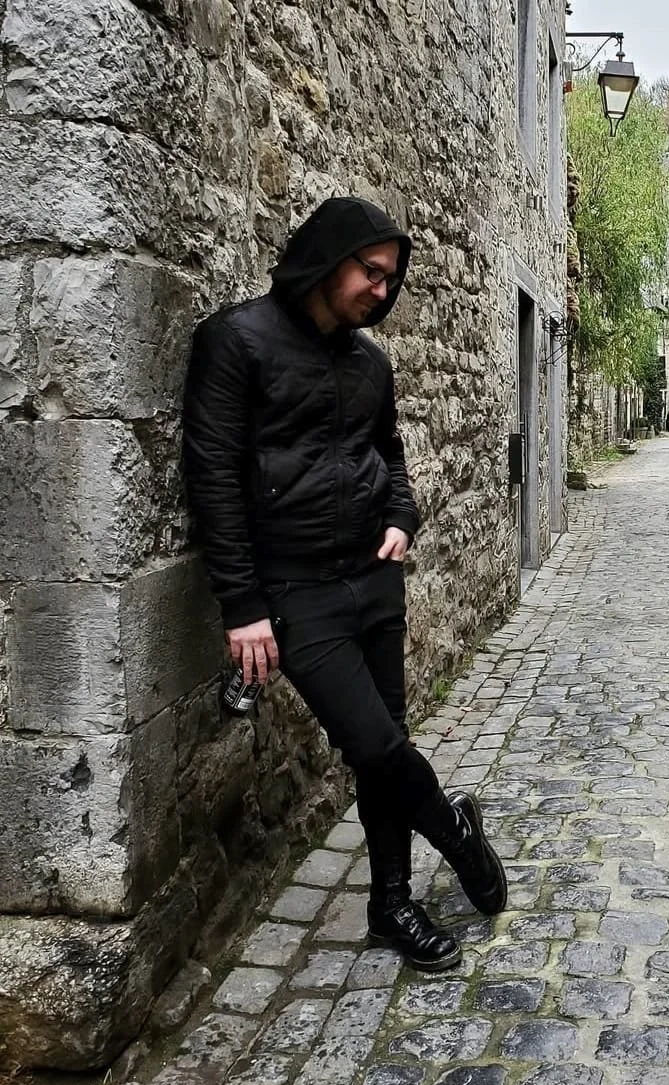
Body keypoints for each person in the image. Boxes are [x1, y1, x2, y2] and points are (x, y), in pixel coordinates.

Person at [183, 196, 507, 972]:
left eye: (391, 279)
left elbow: (387, 452)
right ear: (328, 258)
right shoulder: (236, 340)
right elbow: (211, 476)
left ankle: (391, 905)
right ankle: (455, 832)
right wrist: (243, 606)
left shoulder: (370, 364)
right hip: (295, 591)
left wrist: (402, 514)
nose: (381, 290)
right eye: (371, 272)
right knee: (373, 741)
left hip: (374, 577)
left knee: (382, 748)